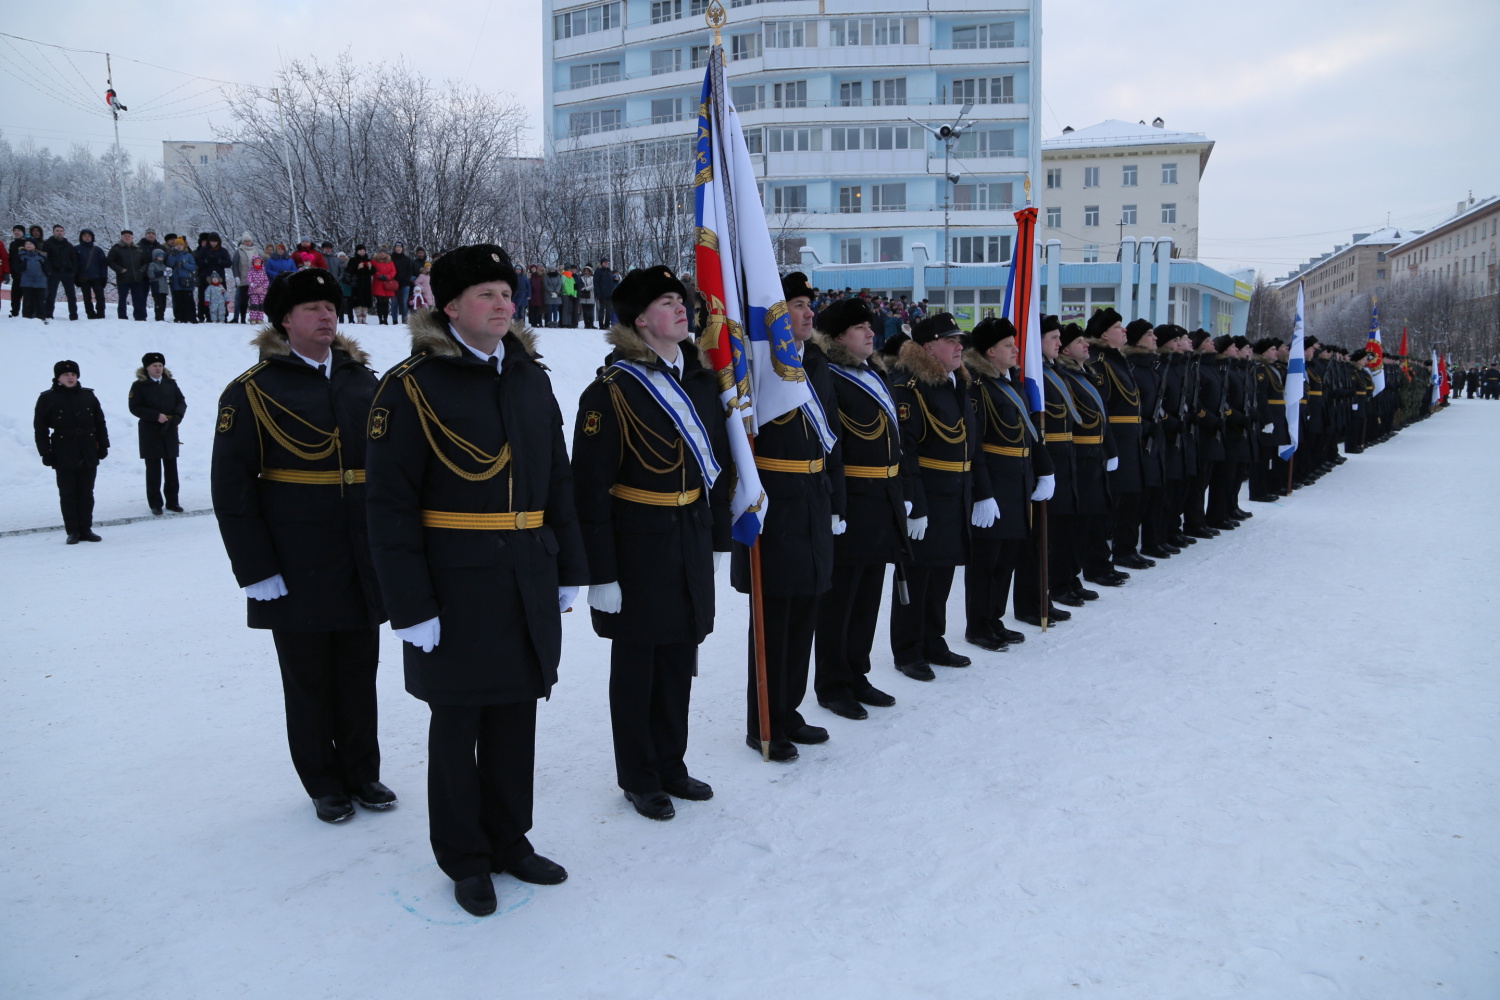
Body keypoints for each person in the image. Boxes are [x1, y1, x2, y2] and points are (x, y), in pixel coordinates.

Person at [365, 244, 587, 918]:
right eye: (487, 294)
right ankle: (464, 857)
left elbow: (558, 479)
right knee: (457, 724)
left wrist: (569, 566)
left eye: (506, 292)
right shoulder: (410, 386)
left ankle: (509, 840)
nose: (503, 304)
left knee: (517, 716)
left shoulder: (528, 377)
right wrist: (410, 605)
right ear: (449, 306)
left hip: (525, 572)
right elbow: (388, 505)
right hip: (453, 584)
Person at [210, 267, 397, 826]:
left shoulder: (366, 383)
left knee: (360, 671)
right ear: (284, 320)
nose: (325, 316)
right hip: (296, 559)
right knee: (309, 677)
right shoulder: (252, 390)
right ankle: (323, 780)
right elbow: (232, 488)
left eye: (330, 307)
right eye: (311, 308)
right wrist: (256, 569)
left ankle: (362, 772)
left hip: (361, 554)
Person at [572, 265, 731, 820]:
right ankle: (639, 776)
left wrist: (716, 537)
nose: (682, 308)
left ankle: (671, 763)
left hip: (687, 535)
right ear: (640, 320)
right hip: (636, 548)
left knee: (678, 658)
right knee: (638, 667)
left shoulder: (702, 382)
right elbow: (589, 491)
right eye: (667, 302)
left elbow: (721, 465)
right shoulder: (611, 391)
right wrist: (601, 573)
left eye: (681, 299)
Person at [732, 271, 841, 760]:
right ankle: (765, 723)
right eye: (796, 305)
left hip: (814, 498)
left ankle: (790, 710)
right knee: (774, 618)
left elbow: (832, 436)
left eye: (808, 305)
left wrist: (835, 501)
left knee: (805, 614)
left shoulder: (815, 361)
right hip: (775, 500)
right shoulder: (758, 363)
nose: (807, 313)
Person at [810, 296, 905, 719]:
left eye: (870, 327)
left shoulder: (873, 375)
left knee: (868, 595)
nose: (871, 333)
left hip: (881, 500)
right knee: (840, 600)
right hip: (851, 503)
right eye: (860, 329)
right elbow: (834, 448)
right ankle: (832, 683)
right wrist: (836, 505)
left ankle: (857, 673)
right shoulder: (829, 378)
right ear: (837, 338)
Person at [888, 313, 977, 680]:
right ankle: (908, 650)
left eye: (960, 341)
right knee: (918, 574)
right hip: (926, 494)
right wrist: (915, 506)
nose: (960, 347)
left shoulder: (954, 383)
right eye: (951, 340)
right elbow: (906, 451)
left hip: (954, 493)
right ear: (928, 347)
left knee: (942, 572)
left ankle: (933, 639)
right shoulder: (910, 387)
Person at [963, 317, 1054, 651]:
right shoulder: (977, 387)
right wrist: (983, 493)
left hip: (1018, 482)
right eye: (1008, 345)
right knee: (986, 562)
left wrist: (1045, 470)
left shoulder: (1010, 384)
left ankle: (995, 619)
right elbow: (976, 445)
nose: (1016, 350)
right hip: (994, 485)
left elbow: (1030, 433)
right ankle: (979, 625)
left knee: (1006, 560)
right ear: (990, 350)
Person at [35, 360, 109, 543]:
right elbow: (40, 428)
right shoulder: (47, 398)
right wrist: (45, 452)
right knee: (68, 493)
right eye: (66, 375)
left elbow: (100, 422)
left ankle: (86, 529)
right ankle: (73, 530)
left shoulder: (88, 396)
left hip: (87, 449)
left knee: (86, 492)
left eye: (73, 375)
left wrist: (104, 445)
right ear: (58, 378)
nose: (70, 377)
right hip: (63, 450)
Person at [129, 352, 186, 514]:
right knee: (153, 469)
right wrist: (155, 416)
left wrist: (176, 417)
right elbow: (135, 407)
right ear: (146, 368)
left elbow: (181, 402)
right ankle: (155, 503)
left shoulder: (170, 384)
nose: (158, 368)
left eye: (160, 365)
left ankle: (172, 502)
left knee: (171, 467)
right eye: (154, 365)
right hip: (150, 431)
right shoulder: (139, 385)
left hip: (170, 429)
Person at [107, 230, 149, 321]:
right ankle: (122, 316)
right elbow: (110, 261)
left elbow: (145, 262)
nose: (127, 237)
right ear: (121, 237)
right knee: (122, 298)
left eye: (129, 236)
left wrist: (142, 270)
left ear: (132, 237)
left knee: (138, 298)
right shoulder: (116, 248)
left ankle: (139, 317)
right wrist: (120, 269)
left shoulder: (138, 249)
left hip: (137, 278)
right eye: (125, 236)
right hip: (123, 278)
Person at [42, 225, 79, 321]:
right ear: (53, 232)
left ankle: (73, 315)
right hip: (54, 273)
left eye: (61, 231)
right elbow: (45, 259)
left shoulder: (68, 245)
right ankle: (48, 314)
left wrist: (73, 271)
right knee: (51, 294)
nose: (59, 232)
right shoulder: (47, 244)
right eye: (57, 231)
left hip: (67, 273)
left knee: (71, 295)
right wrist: (49, 271)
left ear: (64, 233)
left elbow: (74, 259)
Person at [74, 229, 109, 320]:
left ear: (92, 238)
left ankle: (101, 313)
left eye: (89, 236)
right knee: (86, 298)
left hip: (97, 277)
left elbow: (103, 265)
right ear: (81, 237)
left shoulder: (97, 250)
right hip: (83, 278)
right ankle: (90, 314)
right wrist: (75, 278)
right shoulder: (76, 249)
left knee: (100, 297)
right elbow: (74, 264)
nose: (87, 237)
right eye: (85, 235)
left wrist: (104, 277)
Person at [14, 239, 49, 318]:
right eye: (26, 244)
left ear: (35, 245)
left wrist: (46, 274)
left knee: (40, 301)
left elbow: (47, 268)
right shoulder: (21, 256)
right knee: (27, 301)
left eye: (30, 244)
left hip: (40, 282)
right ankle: (26, 317)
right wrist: (22, 266)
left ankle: (41, 317)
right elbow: (16, 267)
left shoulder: (42, 256)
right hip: (26, 282)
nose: (28, 245)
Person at [166, 238, 199, 323]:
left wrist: (184, 265)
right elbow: (169, 264)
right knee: (178, 300)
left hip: (187, 280)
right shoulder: (172, 254)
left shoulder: (188, 255)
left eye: (181, 245)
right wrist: (173, 255)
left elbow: (193, 267)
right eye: (177, 245)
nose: (179, 246)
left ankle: (191, 317)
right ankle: (179, 317)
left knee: (188, 300)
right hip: (176, 280)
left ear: (184, 246)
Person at [232, 234, 257, 323]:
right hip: (243, 279)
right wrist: (236, 277)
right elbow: (234, 265)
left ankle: (254, 317)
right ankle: (242, 318)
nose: (247, 243)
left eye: (249, 241)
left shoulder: (255, 251)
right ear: (242, 242)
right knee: (243, 300)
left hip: (254, 280)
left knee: (254, 299)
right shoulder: (239, 251)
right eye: (245, 241)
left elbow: (259, 264)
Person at [346, 246, 374, 324]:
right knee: (357, 301)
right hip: (356, 284)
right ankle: (359, 318)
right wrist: (357, 268)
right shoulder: (353, 260)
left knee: (366, 301)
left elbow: (373, 272)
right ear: (357, 251)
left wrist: (370, 267)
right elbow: (349, 271)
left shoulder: (368, 260)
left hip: (366, 284)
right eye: (360, 250)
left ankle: (364, 318)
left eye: (363, 250)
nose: (362, 252)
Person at [371, 251, 398, 324]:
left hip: (387, 284)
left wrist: (387, 276)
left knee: (386, 303)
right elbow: (372, 271)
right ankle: (380, 319)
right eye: (381, 253)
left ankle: (385, 319)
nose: (383, 254)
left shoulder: (390, 262)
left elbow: (393, 272)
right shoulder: (374, 261)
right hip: (378, 284)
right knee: (379, 302)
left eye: (384, 253)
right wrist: (379, 275)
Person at [391, 244, 415, 325]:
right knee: (394, 303)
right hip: (393, 283)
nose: (398, 249)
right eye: (397, 247)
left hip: (405, 284)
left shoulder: (407, 259)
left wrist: (405, 280)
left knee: (404, 303)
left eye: (400, 247)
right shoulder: (390, 258)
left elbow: (410, 271)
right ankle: (394, 320)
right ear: (395, 248)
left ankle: (404, 320)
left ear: (402, 249)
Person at [146, 249, 170, 321]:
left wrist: (169, 272)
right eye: (159, 256)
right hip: (157, 287)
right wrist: (161, 273)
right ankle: (158, 317)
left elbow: (167, 273)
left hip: (164, 288)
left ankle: (162, 316)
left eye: (162, 256)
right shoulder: (152, 264)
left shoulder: (163, 265)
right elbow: (150, 274)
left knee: (163, 304)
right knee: (158, 303)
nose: (161, 257)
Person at [593, 258, 617, 329]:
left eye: (607, 262)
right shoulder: (598, 271)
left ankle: (607, 325)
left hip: (609, 294)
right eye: (605, 262)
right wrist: (598, 293)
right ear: (601, 263)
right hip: (602, 294)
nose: (606, 263)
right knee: (602, 310)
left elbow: (611, 283)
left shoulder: (609, 271)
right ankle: (601, 325)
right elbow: (596, 283)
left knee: (608, 310)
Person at [246, 256, 270, 323]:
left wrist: (262, 287)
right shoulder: (250, 271)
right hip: (253, 291)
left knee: (261, 305)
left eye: (258, 262)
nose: (257, 263)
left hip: (262, 291)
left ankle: (259, 318)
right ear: (253, 263)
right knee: (254, 304)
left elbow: (266, 281)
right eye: (256, 262)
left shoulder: (263, 271)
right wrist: (256, 287)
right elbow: (249, 280)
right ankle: (253, 318)